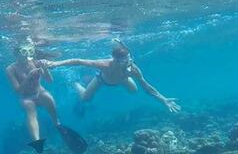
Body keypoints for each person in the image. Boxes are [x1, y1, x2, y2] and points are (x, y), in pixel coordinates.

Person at [46, 39, 180, 114]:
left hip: (122, 80)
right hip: (102, 79)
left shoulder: (133, 69)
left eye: (129, 60)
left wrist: (163, 99)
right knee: (85, 98)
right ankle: (74, 83)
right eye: (123, 61)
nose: (128, 63)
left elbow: (147, 86)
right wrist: (55, 63)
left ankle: (122, 80)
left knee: (135, 90)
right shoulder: (105, 65)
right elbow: (78, 60)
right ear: (115, 60)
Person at [6, 42, 87, 154]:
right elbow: (17, 91)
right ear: (16, 54)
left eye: (30, 51)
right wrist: (29, 77)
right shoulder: (11, 69)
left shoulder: (35, 63)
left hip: (40, 92)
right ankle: (37, 141)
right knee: (29, 108)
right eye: (24, 52)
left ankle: (57, 124)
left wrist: (44, 68)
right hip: (25, 97)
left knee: (48, 97)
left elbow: (49, 80)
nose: (27, 55)